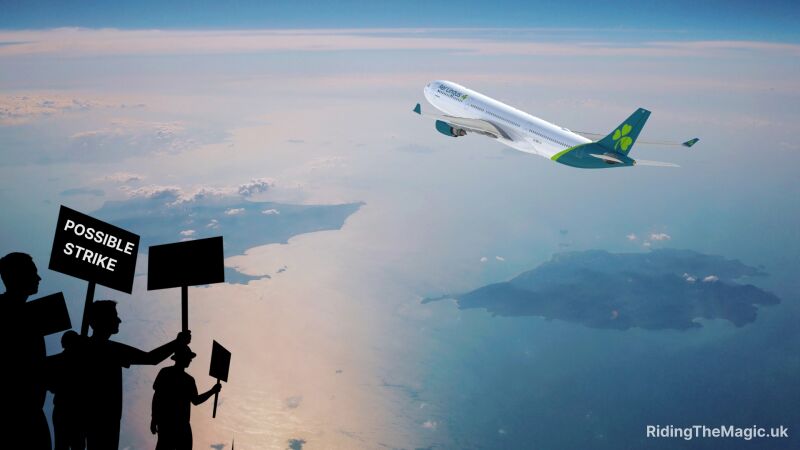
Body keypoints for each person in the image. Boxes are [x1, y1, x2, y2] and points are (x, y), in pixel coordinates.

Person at [83, 299, 191, 449]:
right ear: (103, 320)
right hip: (102, 421)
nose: (119, 320)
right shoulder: (107, 349)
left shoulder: (91, 347)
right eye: (115, 316)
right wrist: (177, 343)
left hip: (103, 421)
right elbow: (150, 358)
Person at [0, 252, 51, 449]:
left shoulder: (30, 314)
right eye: (33, 272)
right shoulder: (13, 314)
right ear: (17, 276)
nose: (38, 278)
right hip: (19, 415)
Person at [151, 345, 221, 450]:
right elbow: (157, 397)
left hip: (181, 425)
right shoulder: (166, 373)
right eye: (188, 357)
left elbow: (195, 400)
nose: (190, 360)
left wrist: (212, 391)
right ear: (182, 357)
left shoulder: (189, 380)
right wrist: (154, 418)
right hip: (167, 423)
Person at [47, 330, 86, 450]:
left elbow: (51, 386)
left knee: (65, 445)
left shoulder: (54, 361)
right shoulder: (83, 363)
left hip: (69, 410)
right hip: (69, 410)